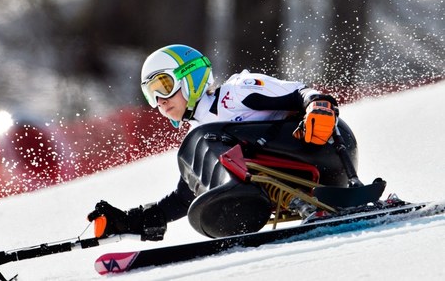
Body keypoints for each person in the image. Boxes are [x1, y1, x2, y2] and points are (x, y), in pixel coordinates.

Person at [87, 44, 352, 240]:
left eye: (164, 85)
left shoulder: (235, 93)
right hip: (297, 173)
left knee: (200, 141)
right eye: (151, 94)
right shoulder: (205, 138)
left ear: (189, 77)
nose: (160, 101)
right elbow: (185, 196)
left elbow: (300, 92)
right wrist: (133, 220)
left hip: (324, 145)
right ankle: (263, 201)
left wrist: (318, 105)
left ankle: (241, 196)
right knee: (198, 152)